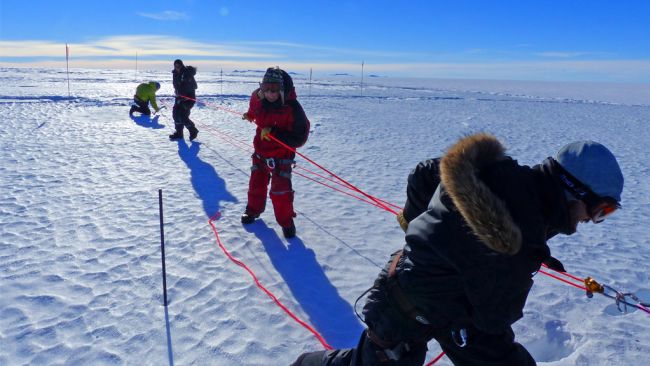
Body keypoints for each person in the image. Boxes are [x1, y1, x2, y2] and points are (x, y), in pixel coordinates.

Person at [292, 133, 624, 366]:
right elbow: (492, 325)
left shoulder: (507, 176)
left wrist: (423, 232)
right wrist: (430, 246)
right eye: (600, 211)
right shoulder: (522, 236)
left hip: (438, 301)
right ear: (575, 192)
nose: (592, 221)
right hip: (403, 308)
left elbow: (426, 175)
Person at [240, 67, 310, 238]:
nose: (270, 94)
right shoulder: (260, 99)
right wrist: (250, 114)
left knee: (280, 192)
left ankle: (287, 223)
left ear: (282, 90)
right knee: (256, 185)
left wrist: (274, 133)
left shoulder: (292, 107)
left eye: (274, 90)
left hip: (281, 157)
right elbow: (254, 103)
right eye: (266, 90)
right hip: (260, 153)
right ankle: (253, 211)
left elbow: (300, 137)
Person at [169, 59, 199, 141]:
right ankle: (179, 133)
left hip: (188, 98)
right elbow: (176, 85)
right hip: (179, 97)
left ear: (182, 65)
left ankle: (193, 130)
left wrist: (185, 95)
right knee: (175, 115)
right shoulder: (175, 74)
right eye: (175, 66)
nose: (177, 67)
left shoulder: (187, 73)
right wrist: (177, 92)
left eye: (178, 65)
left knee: (183, 116)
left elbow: (194, 86)